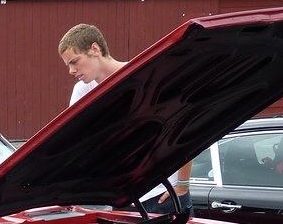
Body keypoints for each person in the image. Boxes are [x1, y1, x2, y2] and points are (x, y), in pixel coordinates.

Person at [57, 23, 191, 214]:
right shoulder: (83, 91)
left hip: (164, 196)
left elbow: (183, 126)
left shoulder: (146, 77)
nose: (71, 70)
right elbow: (74, 140)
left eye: (74, 61)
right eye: (68, 65)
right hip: (123, 199)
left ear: (95, 49)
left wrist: (183, 185)